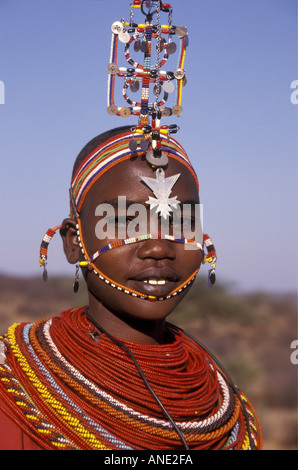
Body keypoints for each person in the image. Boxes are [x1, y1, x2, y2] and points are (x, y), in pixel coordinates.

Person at [0, 126, 262, 450]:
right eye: (126, 221)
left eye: (181, 221)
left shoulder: (226, 408)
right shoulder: (11, 388)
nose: (158, 247)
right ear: (74, 242)